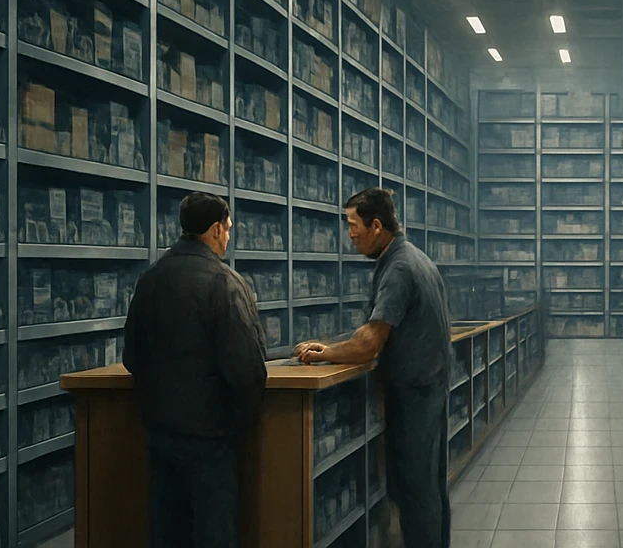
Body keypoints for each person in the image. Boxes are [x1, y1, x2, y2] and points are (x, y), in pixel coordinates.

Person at [295, 189, 452, 548]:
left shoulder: (398, 268)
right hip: (429, 390)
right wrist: (334, 348)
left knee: (415, 492)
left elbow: (369, 343)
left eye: (353, 225)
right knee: (430, 489)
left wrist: (324, 355)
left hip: (415, 398)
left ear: (376, 226)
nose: (350, 234)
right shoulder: (414, 257)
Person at [123, 192, 267, 548]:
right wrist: (236, 423)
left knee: (166, 531)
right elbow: (247, 370)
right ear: (217, 229)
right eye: (229, 228)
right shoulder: (225, 283)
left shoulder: (150, 280)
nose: (229, 236)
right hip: (211, 437)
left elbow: (131, 357)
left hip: (160, 432)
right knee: (213, 533)